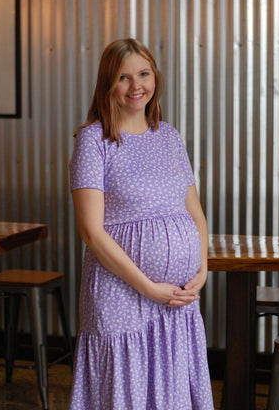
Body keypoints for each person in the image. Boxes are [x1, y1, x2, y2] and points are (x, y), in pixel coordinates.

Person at [69, 38, 214, 409]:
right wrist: (149, 288)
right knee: (128, 392)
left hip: (177, 299)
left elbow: (194, 213)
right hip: (122, 294)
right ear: (107, 85)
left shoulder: (168, 136)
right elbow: (91, 232)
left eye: (144, 74)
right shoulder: (94, 140)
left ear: (155, 77)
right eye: (123, 77)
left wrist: (202, 267)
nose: (137, 86)